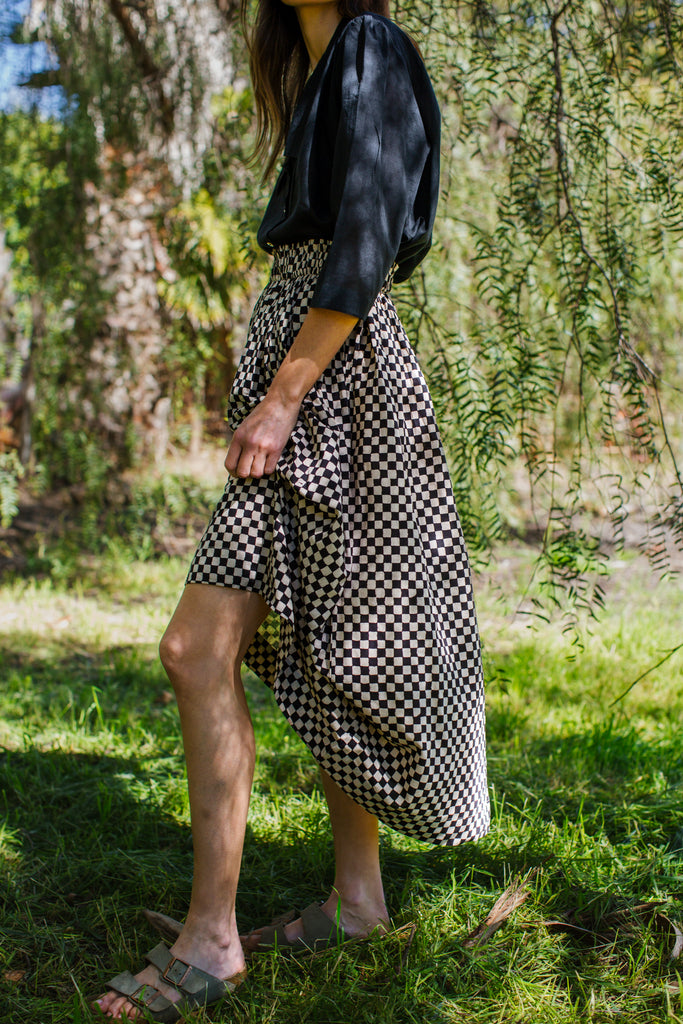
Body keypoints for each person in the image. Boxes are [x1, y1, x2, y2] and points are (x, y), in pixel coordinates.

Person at [95, 0, 489, 1019]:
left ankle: (212, 938)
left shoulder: (367, 45)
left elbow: (360, 244)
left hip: (333, 378)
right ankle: (355, 900)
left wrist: (281, 399)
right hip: (311, 363)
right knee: (320, 638)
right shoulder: (317, 64)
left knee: (196, 646)